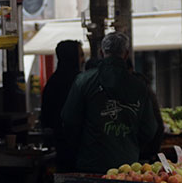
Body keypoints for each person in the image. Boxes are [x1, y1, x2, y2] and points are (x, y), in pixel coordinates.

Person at [60, 32, 158, 173]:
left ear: (101, 52)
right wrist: (129, 145)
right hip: (128, 168)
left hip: (91, 165)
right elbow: (149, 129)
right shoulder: (139, 86)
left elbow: (69, 120)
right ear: (126, 54)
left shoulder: (83, 81)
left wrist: (84, 146)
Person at [42, 40, 84, 171]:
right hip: (80, 149)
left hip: (60, 149)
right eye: (81, 55)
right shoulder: (81, 83)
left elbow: (46, 118)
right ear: (72, 57)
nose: (83, 59)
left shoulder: (52, 82)